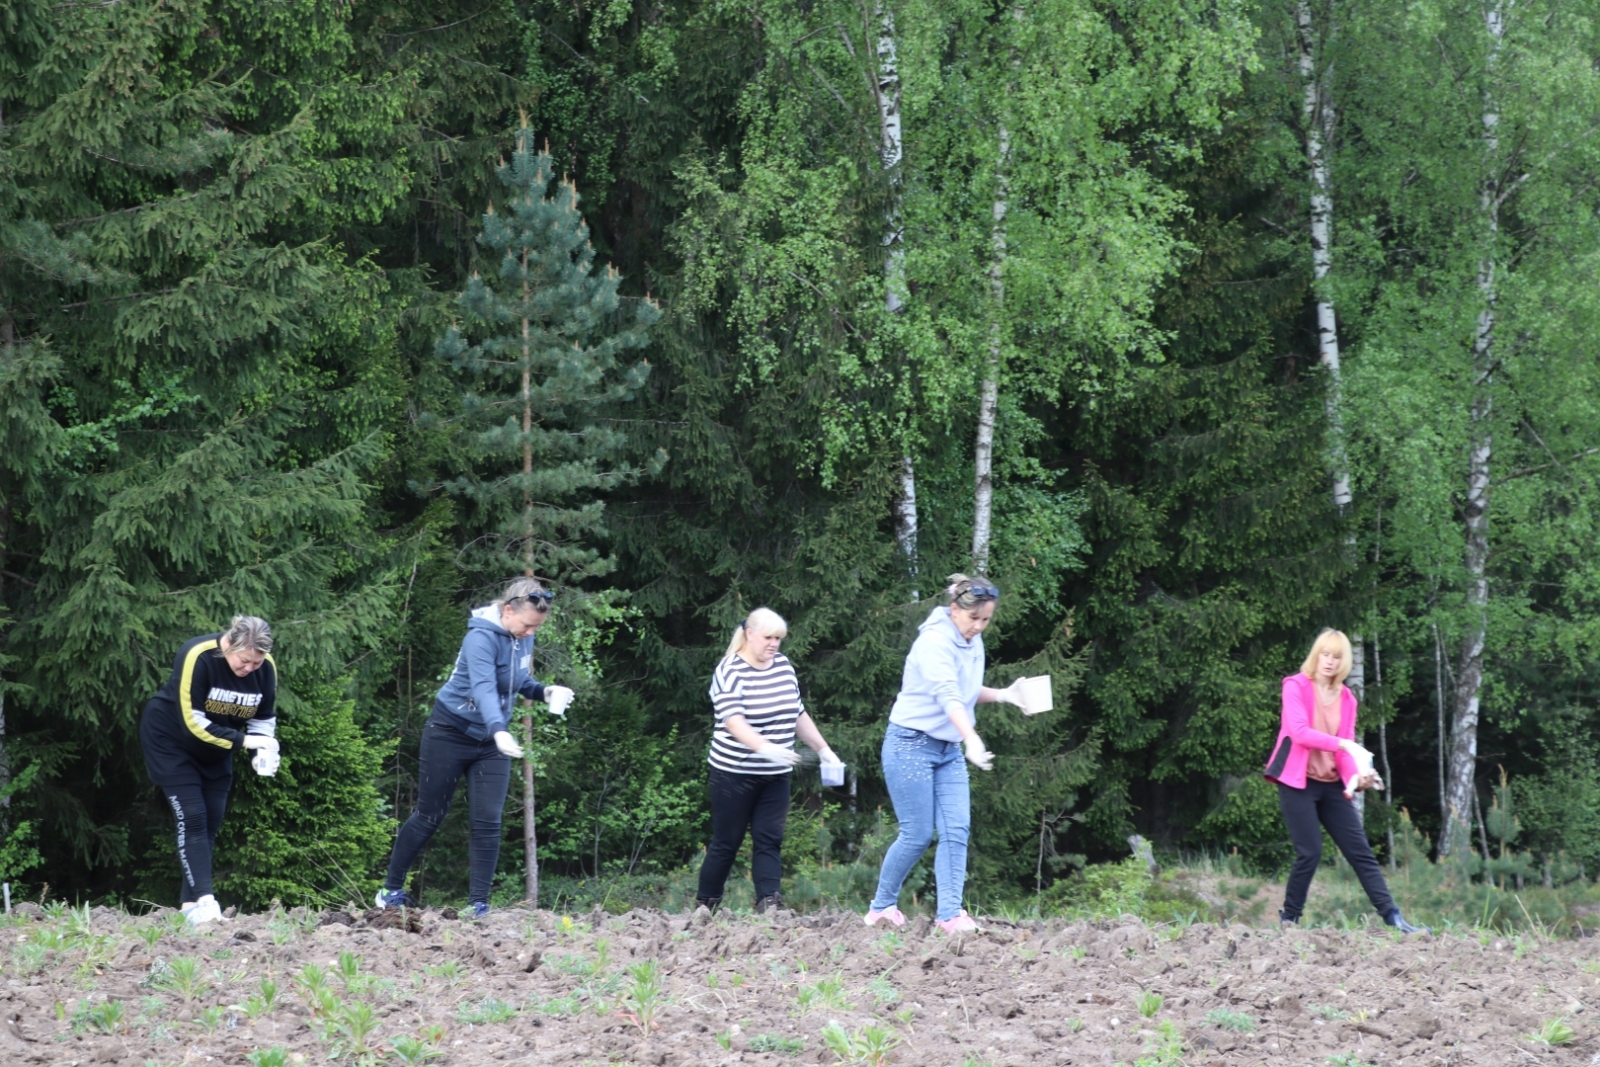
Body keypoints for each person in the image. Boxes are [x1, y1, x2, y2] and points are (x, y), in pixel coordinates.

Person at [375, 577, 574, 918]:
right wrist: (499, 729)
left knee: (488, 821)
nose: (530, 632)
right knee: (429, 815)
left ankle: (478, 906)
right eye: (527, 625)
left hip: (492, 741)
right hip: (449, 731)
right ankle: (390, 891)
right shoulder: (479, 637)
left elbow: (516, 680)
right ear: (508, 610)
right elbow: (482, 687)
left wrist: (544, 691)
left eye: (536, 627)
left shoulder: (521, 636)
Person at [864, 575, 1036, 933]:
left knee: (957, 829)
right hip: (910, 743)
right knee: (916, 834)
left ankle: (950, 916)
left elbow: (966, 689)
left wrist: (1005, 694)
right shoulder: (933, 643)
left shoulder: (972, 641)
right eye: (974, 619)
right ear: (954, 609)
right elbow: (947, 694)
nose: (979, 627)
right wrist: (971, 737)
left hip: (947, 747)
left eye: (986, 620)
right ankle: (881, 908)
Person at [1263, 628, 1425, 932]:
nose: (1329, 662)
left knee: (1360, 851)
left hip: (1331, 783)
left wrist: (1357, 778)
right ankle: (1290, 921)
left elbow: (1345, 752)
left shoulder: (1347, 699)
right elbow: (1299, 733)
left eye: (1336, 657)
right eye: (1325, 654)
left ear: (1344, 662)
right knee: (1309, 851)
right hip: (1297, 781)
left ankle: (1394, 919)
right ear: (1316, 655)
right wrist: (1344, 745)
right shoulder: (1295, 686)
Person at [695, 607, 840, 914]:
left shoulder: (784, 667)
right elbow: (733, 722)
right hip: (733, 773)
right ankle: (705, 907)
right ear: (749, 634)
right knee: (726, 842)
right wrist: (764, 747)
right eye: (768, 637)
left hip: (775, 774)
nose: (774, 644)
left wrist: (824, 749)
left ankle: (769, 904)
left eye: (779, 638)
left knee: (769, 839)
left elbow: (797, 713)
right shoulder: (729, 670)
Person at [141, 616, 281, 925]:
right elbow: (193, 724)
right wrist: (246, 741)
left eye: (256, 665)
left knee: (210, 822)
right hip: (171, 740)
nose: (249, 670)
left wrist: (265, 749)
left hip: (217, 747)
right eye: (244, 662)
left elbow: (264, 716)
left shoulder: (265, 666)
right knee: (192, 817)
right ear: (229, 644)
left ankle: (189, 907)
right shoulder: (197, 655)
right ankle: (207, 903)